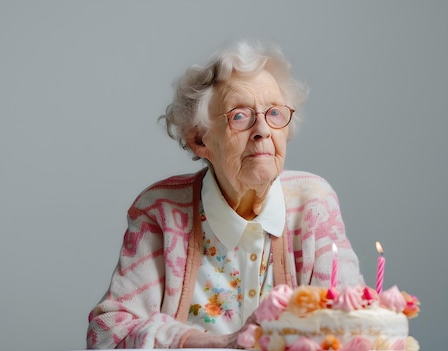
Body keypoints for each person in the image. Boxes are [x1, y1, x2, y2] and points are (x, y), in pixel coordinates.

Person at [87, 39, 364, 349]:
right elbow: (108, 334)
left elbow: (354, 327)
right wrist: (205, 343)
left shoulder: (314, 203)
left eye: (274, 113)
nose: (262, 130)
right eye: (240, 116)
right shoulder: (160, 210)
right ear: (200, 140)